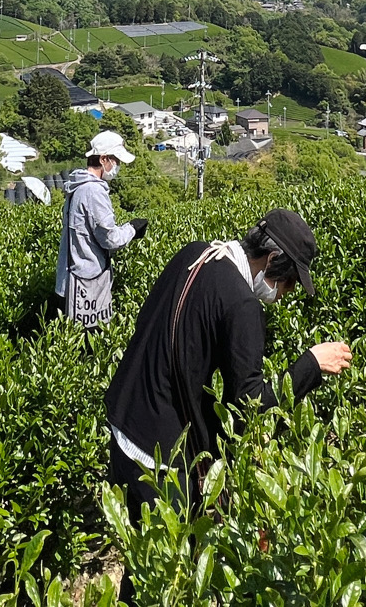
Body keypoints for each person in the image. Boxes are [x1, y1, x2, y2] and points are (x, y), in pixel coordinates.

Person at [104, 210, 353, 550]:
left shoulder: (197, 253)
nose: (286, 293)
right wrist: (311, 364)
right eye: (289, 281)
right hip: (157, 455)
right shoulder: (242, 305)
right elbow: (249, 401)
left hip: (123, 423)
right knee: (169, 569)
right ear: (272, 259)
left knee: (140, 558)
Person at [55, 129, 148, 329]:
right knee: (90, 344)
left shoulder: (77, 186)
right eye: (116, 160)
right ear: (104, 159)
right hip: (86, 282)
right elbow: (109, 238)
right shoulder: (93, 191)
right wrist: (132, 228)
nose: (118, 166)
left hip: (68, 278)